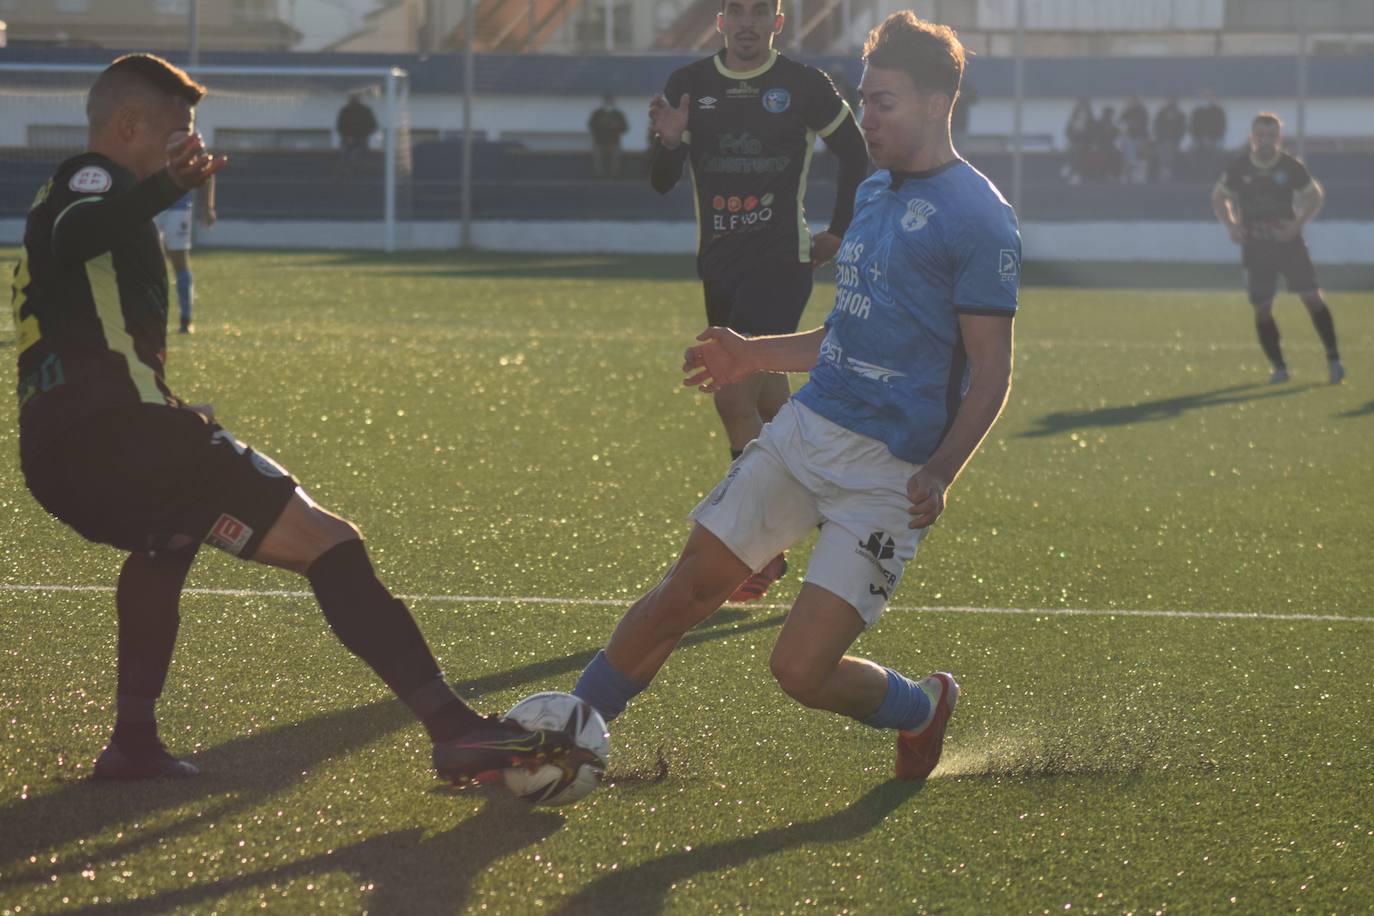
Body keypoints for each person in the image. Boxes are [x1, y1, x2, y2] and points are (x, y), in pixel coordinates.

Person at [10, 54, 569, 783]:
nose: (186, 145)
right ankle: (456, 731)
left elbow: (87, 323)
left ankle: (132, 741)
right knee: (328, 542)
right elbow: (77, 236)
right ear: (127, 125)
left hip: (61, 455)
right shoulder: (96, 179)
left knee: (166, 542)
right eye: (176, 131)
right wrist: (167, 186)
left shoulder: (72, 193)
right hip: (120, 436)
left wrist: (162, 409)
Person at [573, 11, 1018, 782]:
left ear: (941, 100)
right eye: (865, 98)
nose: (866, 118)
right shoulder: (875, 193)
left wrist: (942, 472)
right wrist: (752, 354)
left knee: (799, 671)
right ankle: (570, 731)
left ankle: (923, 706)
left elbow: (993, 370)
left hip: (889, 475)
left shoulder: (981, 217)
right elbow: (843, 335)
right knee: (684, 592)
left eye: (885, 102)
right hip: (808, 431)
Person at [646, 0, 871, 601]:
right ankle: (832, 510)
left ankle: (751, 549)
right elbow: (662, 179)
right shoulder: (688, 84)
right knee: (771, 394)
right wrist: (668, 142)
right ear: (721, 20)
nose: (746, 22)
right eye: (736, 11)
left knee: (733, 389)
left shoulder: (802, 83)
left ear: (777, 21)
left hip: (781, 259)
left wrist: (840, 230)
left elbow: (856, 152)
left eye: (759, 12)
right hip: (719, 263)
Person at [1211, 112, 1344, 385]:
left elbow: (1314, 195)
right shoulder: (1239, 167)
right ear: (1252, 137)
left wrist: (1297, 225)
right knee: (1262, 308)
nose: (1266, 140)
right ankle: (1279, 367)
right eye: (1260, 135)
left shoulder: (1290, 166)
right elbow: (1219, 197)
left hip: (1288, 243)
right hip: (1256, 246)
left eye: (1271, 135)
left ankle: (1333, 359)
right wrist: (1232, 225)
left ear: (1279, 138)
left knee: (1311, 297)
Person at [153, 176, 214, 334]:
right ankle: (155, 316)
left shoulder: (187, 149)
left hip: (178, 204)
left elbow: (207, 170)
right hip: (150, 203)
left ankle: (185, 318)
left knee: (179, 259)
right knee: (151, 261)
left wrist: (208, 206)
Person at [588, 92, 629, 178]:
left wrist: (616, 126)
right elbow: (591, 125)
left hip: (614, 142)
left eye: (610, 100)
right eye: (607, 100)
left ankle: (614, 177)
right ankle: (598, 177)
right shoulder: (597, 113)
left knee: (615, 161)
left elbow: (625, 127)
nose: (609, 102)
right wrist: (601, 124)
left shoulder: (618, 114)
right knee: (598, 161)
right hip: (599, 142)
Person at [335, 93, 377, 176]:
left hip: (361, 140)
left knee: (357, 156)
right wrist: (347, 137)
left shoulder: (365, 110)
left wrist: (363, 135)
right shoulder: (345, 111)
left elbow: (373, 125)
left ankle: (353, 172)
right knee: (345, 155)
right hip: (348, 140)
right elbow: (340, 126)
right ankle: (344, 172)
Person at [1152, 95, 1186, 182]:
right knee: (1162, 151)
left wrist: (1174, 139)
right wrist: (1161, 139)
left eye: (1172, 100)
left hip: (1174, 141)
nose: (1170, 101)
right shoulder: (1161, 113)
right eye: (1169, 100)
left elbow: (1182, 129)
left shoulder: (1180, 114)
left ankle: (1168, 172)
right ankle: (1163, 171)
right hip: (1161, 141)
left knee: (1171, 151)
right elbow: (1157, 127)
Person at [1118, 95, 1149, 183]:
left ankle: (1135, 170)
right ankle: (1127, 172)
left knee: (1135, 148)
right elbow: (1120, 122)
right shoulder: (1127, 111)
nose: (1131, 102)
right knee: (1126, 145)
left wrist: (1132, 129)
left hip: (1140, 136)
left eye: (1132, 101)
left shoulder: (1142, 111)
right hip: (1129, 137)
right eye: (1129, 101)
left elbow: (1143, 125)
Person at [1062, 97, 1094, 184]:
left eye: (1084, 111)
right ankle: (1072, 170)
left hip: (1085, 142)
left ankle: (1073, 170)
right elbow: (1067, 132)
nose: (1082, 113)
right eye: (1080, 110)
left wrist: (1082, 130)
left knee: (1078, 148)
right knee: (1074, 147)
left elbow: (1092, 134)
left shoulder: (1090, 121)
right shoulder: (1073, 120)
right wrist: (1075, 131)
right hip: (1074, 141)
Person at [1190, 91, 1226, 156]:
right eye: (1205, 96)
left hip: (1214, 140)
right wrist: (1200, 138)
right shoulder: (1197, 111)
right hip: (1199, 141)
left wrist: (1214, 138)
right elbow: (1193, 126)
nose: (1207, 98)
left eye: (1209, 96)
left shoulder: (1218, 111)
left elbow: (1221, 126)